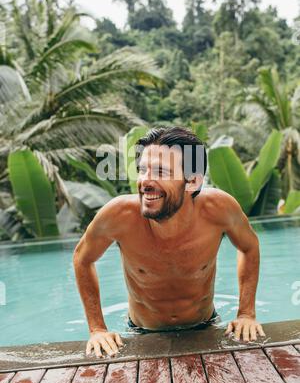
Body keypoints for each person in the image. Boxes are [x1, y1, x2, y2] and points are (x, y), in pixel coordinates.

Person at [73, 126, 265, 358]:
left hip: (205, 325)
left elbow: (249, 246)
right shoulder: (119, 216)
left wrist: (246, 313)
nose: (145, 181)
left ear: (192, 181)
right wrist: (97, 329)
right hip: (142, 332)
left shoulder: (219, 209)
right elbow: (82, 258)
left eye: (161, 172)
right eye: (143, 170)